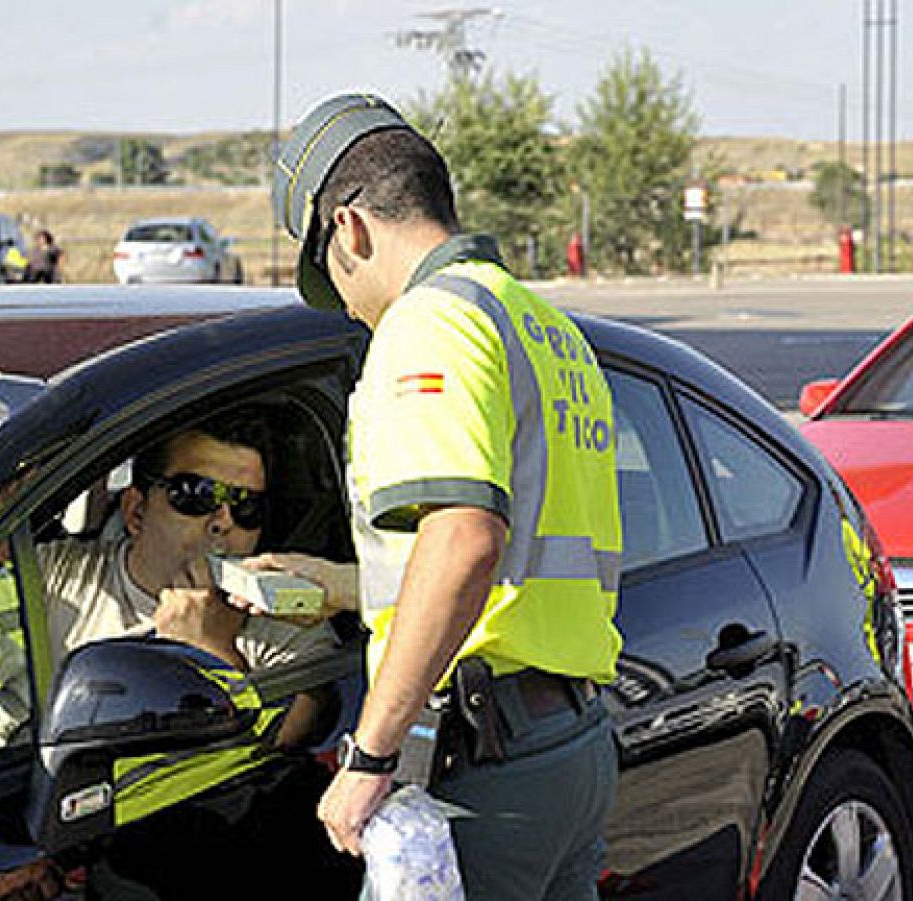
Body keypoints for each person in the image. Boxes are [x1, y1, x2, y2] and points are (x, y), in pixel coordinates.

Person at [273, 93, 622, 900]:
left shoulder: (428, 323)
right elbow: (521, 557)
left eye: (331, 275)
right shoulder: (542, 324)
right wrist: (341, 586)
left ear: (348, 229)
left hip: (481, 765)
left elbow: (465, 537)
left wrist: (368, 753)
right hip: (571, 744)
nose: (350, 306)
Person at [0, 410, 360, 899]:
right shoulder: (46, 584)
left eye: (246, 507)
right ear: (137, 511)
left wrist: (211, 651)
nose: (223, 523)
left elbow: (289, 750)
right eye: (197, 495)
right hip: (20, 841)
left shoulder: (289, 622)